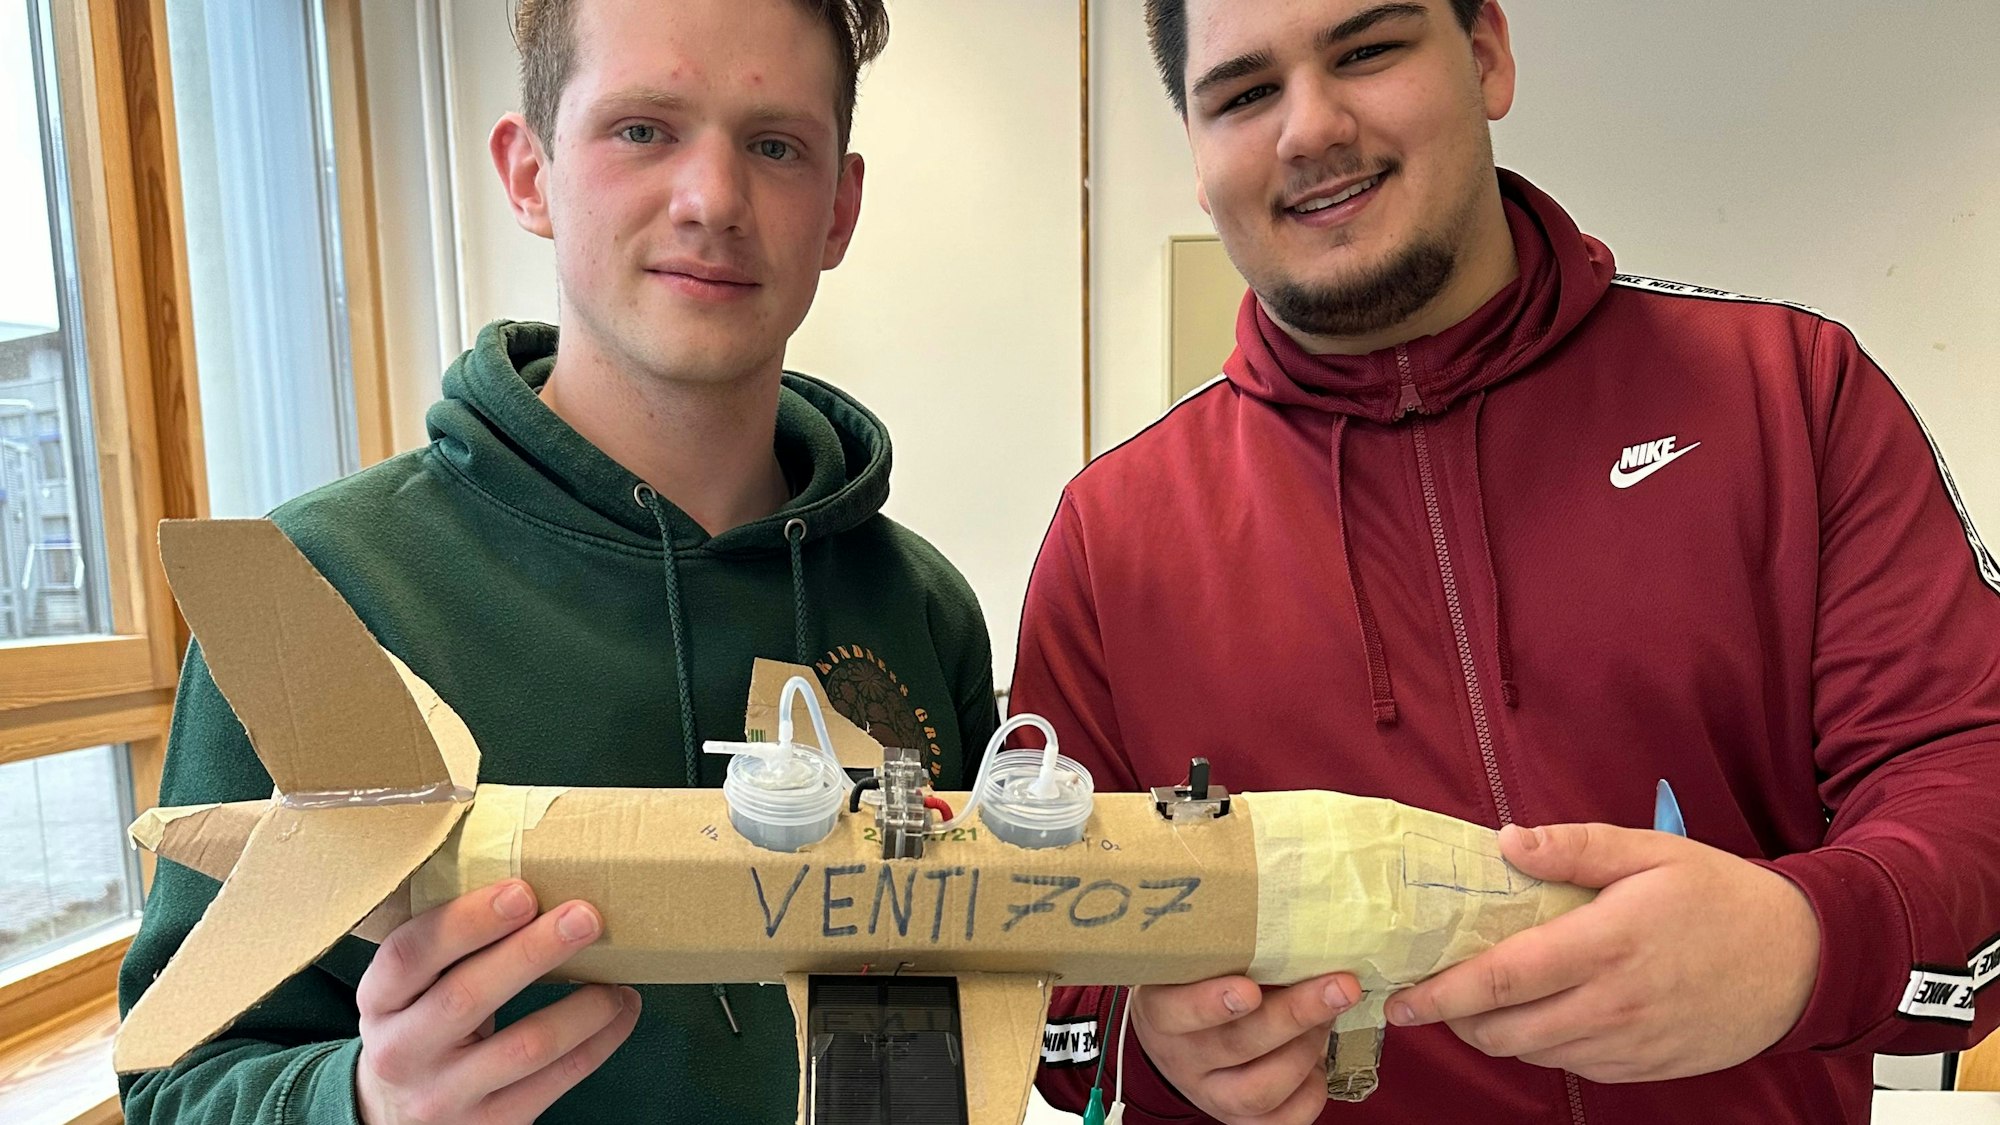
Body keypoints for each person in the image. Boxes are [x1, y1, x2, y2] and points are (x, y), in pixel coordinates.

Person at [1017, 1, 2000, 1122]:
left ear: (1484, 54)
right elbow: (1042, 949)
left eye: (1366, 50)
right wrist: (1148, 1042)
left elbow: (1968, 776)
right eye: (1242, 94)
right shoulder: (1112, 538)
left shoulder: (1786, 396)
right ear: (1195, 155)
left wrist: (1806, 942)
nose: (1309, 127)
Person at [118, 0, 1000, 1121]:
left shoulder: (922, 609)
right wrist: (362, 1101)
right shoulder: (320, 591)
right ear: (528, 173)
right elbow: (176, 1085)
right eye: (642, 129)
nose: (713, 201)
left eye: (774, 146)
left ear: (839, 207)